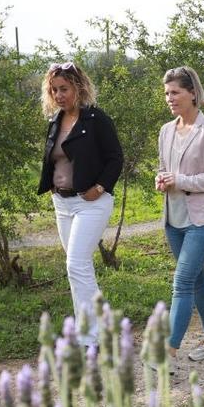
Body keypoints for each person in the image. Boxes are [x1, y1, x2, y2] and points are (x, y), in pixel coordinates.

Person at [37, 62, 123, 348]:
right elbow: (53, 158)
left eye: (64, 89)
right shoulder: (55, 121)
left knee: (76, 264)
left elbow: (115, 158)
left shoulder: (96, 120)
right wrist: (51, 183)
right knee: (78, 267)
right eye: (54, 90)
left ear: (78, 88)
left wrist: (99, 187)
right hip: (62, 203)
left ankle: (91, 338)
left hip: (91, 203)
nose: (59, 95)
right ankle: (98, 326)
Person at [156, 66, 204, 373]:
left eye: (175, 92)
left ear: (192, 93)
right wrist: (161, 180)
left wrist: (183, 180)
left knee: (183, 281)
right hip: (174, 219)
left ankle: (168, 354)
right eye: (166, 93)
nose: (170, 98)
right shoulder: (165, 131)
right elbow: (165, 169)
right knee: (198, 279)